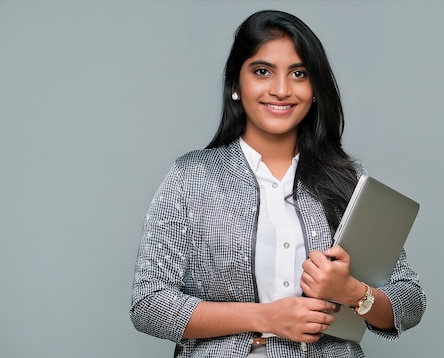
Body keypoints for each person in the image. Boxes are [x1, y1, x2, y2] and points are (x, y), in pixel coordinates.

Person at [130, 9, 426, 358]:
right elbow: (149, 304)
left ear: (315, 88)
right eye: (262, 71)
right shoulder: (191, 177)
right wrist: (265, 317)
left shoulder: (347, 180)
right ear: (236, 85)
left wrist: (351, 291)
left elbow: (409, 301)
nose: (281, 90)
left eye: (298, 73)